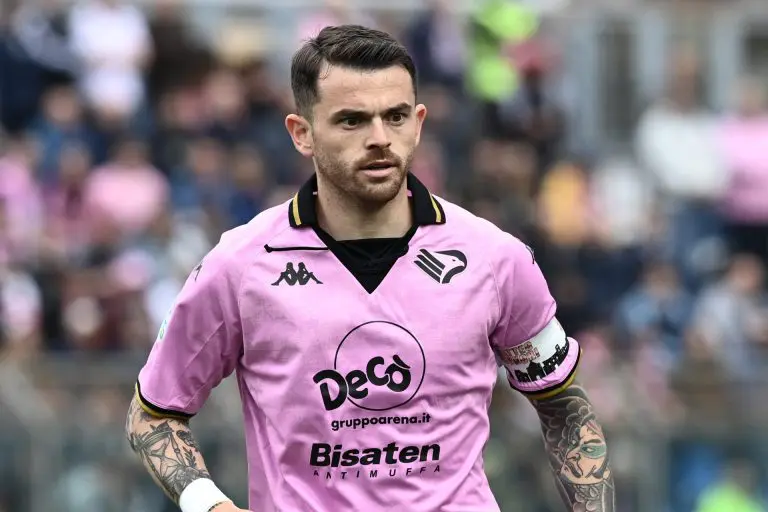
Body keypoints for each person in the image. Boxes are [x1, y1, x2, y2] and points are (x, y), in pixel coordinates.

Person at [125, 24, 615, 512]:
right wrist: (210, 505)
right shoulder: (240, 266)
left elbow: (564, 408)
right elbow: (154, 415)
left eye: (395, 116)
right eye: (352, 121)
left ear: (418, 123)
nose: (380, 138)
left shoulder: (495, 258)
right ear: (301, 133)